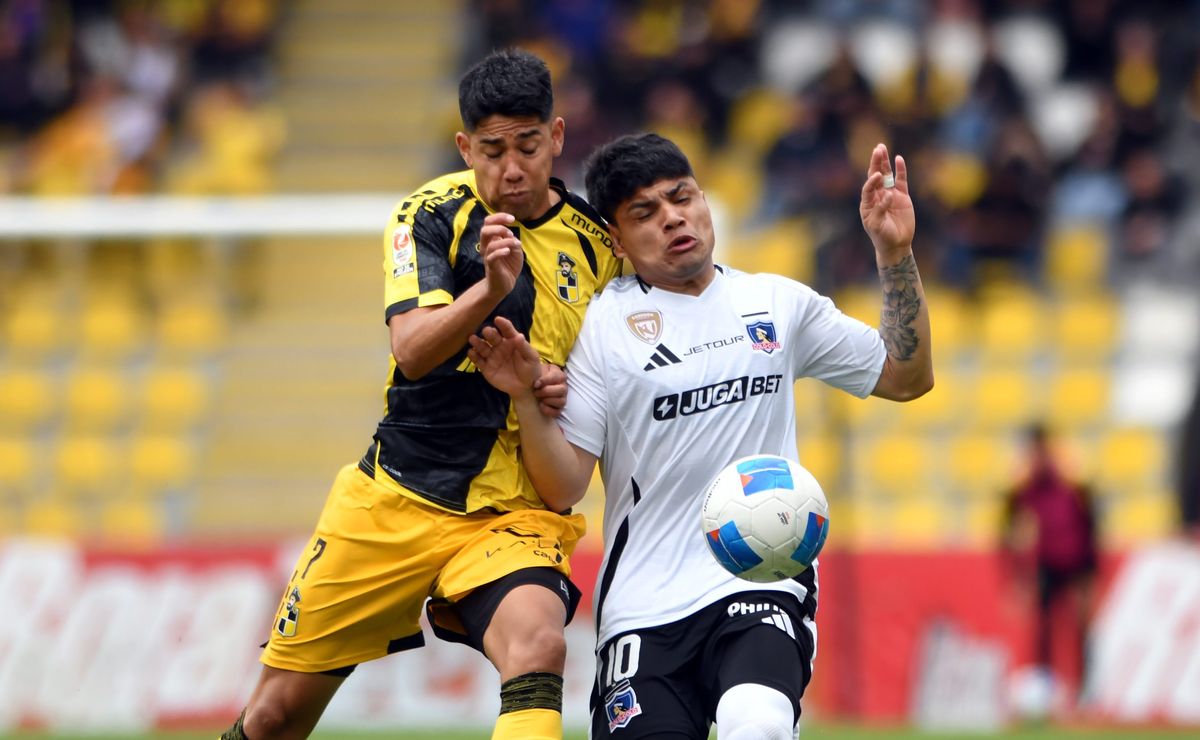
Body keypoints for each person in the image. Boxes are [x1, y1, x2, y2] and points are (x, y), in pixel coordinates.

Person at [467, 133, 933, 738]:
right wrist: (526, 398)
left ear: (703, 199)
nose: (672, 219)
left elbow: (906, 376)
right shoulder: (603, 328)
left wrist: (894, 252)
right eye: (645, 213)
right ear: (616, 238)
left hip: (761, 576)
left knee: (756, 722)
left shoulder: (777, 303)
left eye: (681, 197)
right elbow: (562, 487)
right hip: (644, 603)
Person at [219, 49, 622, 740]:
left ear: (556, 137)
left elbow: (602, 371)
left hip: (511, 509)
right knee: (274, 716)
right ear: (466, 147)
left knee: (539, 648)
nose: (512, 168)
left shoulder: (598, 248)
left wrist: (554, 383)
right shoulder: (427, 214)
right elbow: (411, 349)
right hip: (394, 495)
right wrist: (491, 291)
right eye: (492, 151)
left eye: (527, 146)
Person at [1000, 423, 1099, 709]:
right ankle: (1045, 689)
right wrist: (1017, 576)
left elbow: (1089, 526)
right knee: (1043, 629)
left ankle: (1085, 690)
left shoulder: (1072, 484)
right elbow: (1008, 526)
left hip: (1075, 563)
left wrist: (1091, 573)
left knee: (1081, 630)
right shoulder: (1026, 488)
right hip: (1047, 564)